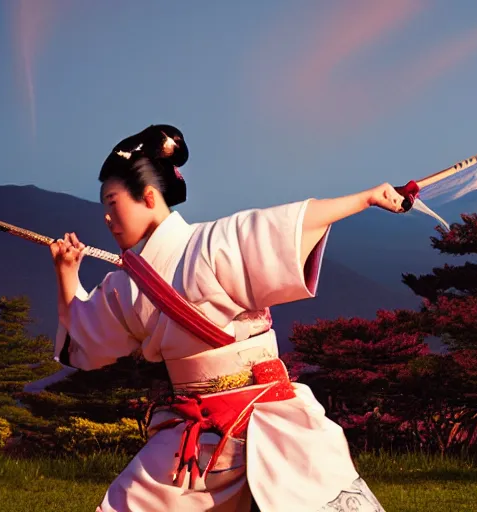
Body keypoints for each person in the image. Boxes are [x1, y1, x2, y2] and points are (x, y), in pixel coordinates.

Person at [49, 124, 407, 511]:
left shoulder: (213, 243)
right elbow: (86, 341)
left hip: (270, 418)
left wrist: (367, 198)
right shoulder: (124, 285)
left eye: (113, 203)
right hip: (194, 438)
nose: (107, 218)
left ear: (149, 197)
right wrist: (67, 272)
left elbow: (290, 225)